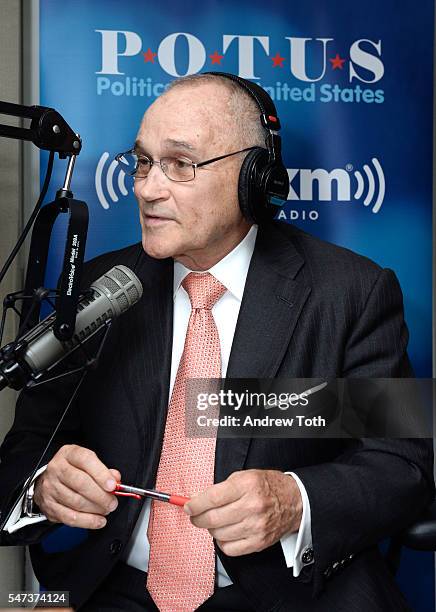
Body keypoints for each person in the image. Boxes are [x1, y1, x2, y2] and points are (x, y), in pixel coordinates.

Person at [0, 72, 433, 612]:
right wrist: (44, 486)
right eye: (141, 162)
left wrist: (295, 502)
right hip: (110, 591)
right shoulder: (96, 293)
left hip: (288, 596)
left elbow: (402, 465)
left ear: (252, 177)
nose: (147, 187)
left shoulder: (350, 293)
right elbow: (20, 454)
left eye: (180, 164)